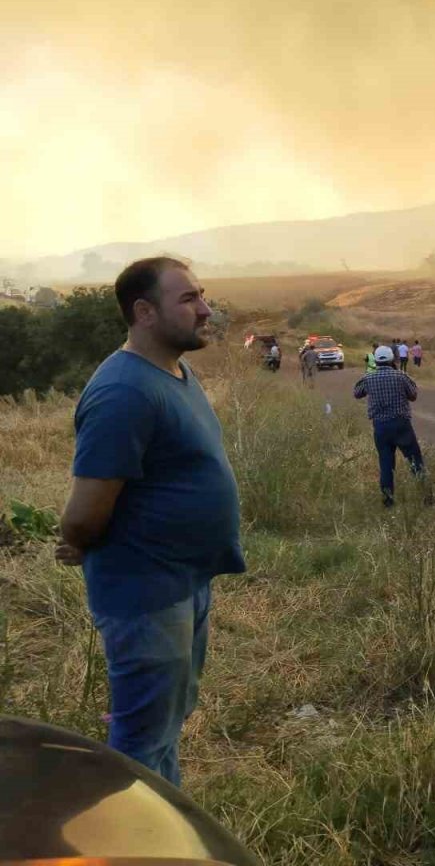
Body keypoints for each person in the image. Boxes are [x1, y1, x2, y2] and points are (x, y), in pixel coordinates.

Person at [55, 257, 245, 786]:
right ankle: (133, 842)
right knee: (140, 742)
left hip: (183, 582)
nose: (205, 309)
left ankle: (165, 831)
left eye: (202, 295)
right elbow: (85, 512)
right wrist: (78, 540)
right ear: (144, 311)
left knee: (166, 724)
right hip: (146, 593)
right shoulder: (123, 392)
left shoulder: (175, 373)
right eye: (188, 299)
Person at [353, 345, 430, 508]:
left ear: (376, 360)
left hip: (380, 427)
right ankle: (426, 497)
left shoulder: (369, 378)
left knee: (386, 464)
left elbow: (357, 392)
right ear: (391, 360)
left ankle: (388, 500)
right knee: (415, 461)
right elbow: (413, 395)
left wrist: (369, 376)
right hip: (401, 425)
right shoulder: (401, 376)